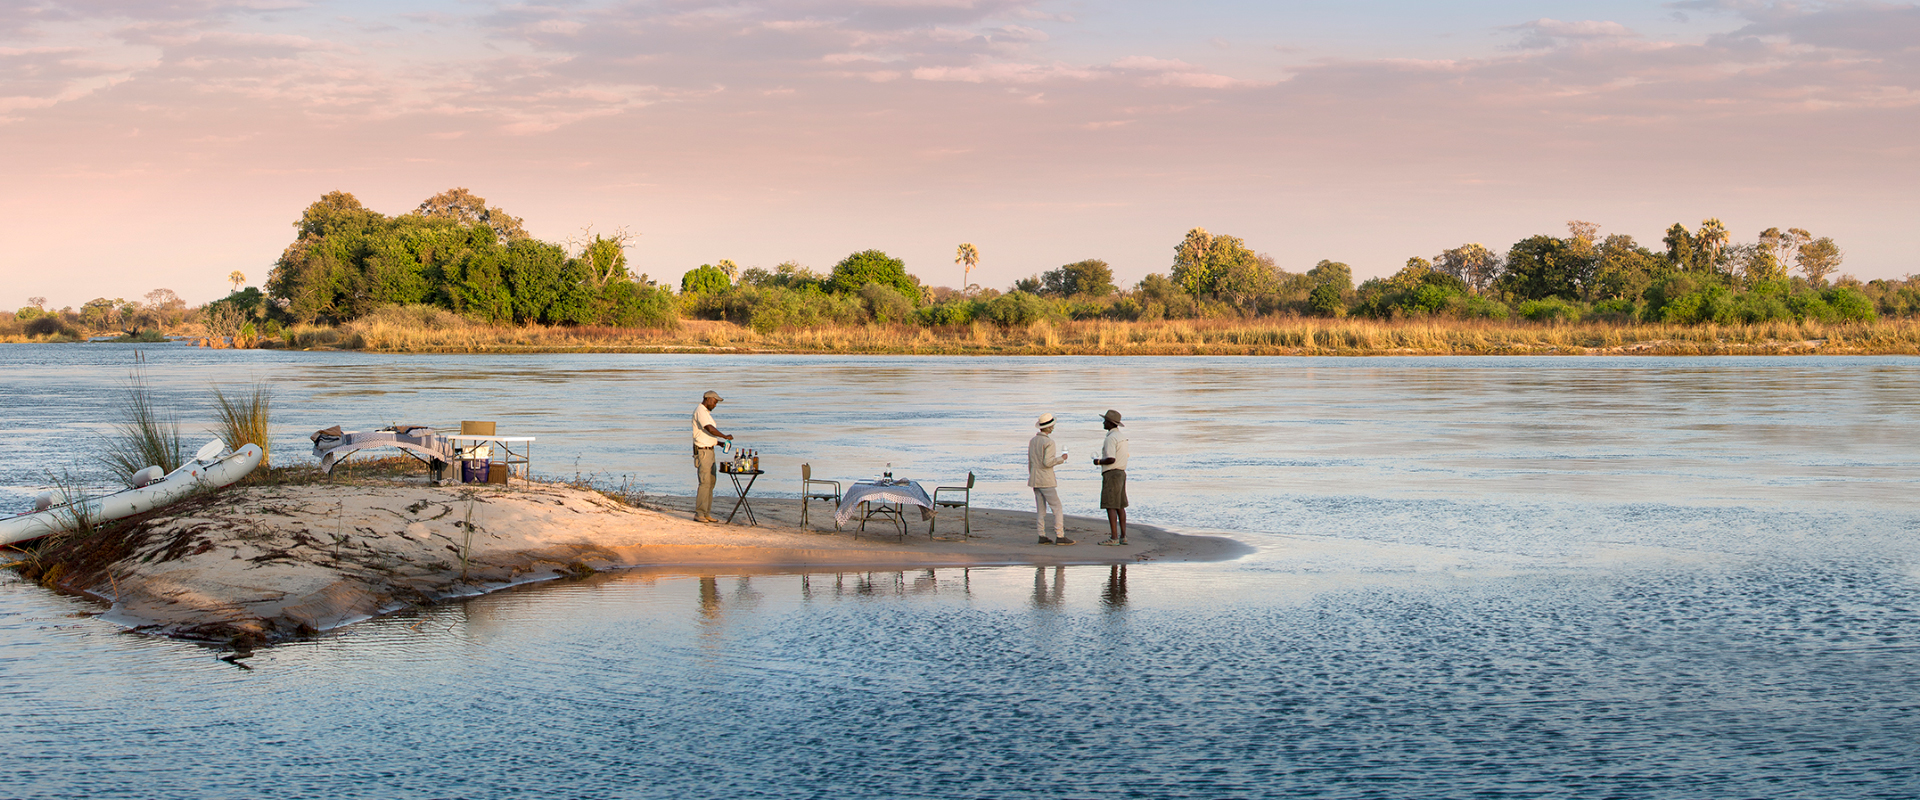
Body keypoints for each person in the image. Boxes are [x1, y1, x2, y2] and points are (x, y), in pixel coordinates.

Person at [1028, 413, 1073, 545]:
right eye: (1051, 426)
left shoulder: (1033, 441)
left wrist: (1032, 474)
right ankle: (1060, 535)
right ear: (1048, 428)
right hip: (1045, 479)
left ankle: (1041, 534)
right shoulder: (1048, 442)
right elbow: (1047, 462)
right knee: (1057, 507)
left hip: (1035, 478)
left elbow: (1030, 462)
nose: (1052, 428)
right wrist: (1061, 459)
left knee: (1041, 509)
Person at [692, 390, 734, 523]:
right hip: (703, 452)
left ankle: (706, 513)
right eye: (715, 402)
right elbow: (709, 428)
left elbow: (706, 434)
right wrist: (724, 436)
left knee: (711, 482)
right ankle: (699, 513)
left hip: (710, 450)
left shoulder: (706, 413)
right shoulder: (700, 411)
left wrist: (719, 443)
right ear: (708, 399)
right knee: (704, 482)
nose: (715, 405)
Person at [1093, 409, 1130, 545]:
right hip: (1121, 473)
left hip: (1112, 473)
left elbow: (1110, 459)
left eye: (1105, 421)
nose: (1103, 423)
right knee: (1120, 505)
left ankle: (1114, 538)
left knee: (1111, 505)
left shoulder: (1111, 438)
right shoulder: (1122, 437)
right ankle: (1123, 536)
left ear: (1109, 423)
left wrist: (1098, 462)